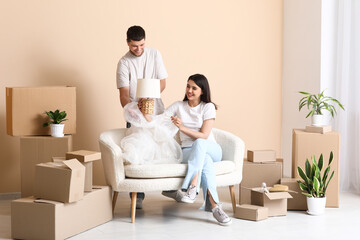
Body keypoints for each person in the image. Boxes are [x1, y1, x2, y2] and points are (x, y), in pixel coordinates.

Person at [143, 74, 232, 226]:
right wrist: (144, 112)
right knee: (205, 161)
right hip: (188, 152)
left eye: (194, 88)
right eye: (188, 86)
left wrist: (181, 127)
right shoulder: (178, 106)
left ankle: (192, 187)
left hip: (211, 148)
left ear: (202, 91)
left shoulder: (208, 107)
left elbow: (204, 135)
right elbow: (158, 121)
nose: (189, 90)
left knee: (200, 144)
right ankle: (215, 206)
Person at [116, 25, 168, 209]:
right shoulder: (124, 63)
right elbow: (123, 95)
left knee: (163, 148)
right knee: (135, 153)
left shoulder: (154, 55)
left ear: (145, 41)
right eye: (134, 46)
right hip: (134, 114)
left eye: (142, 45)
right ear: (127, 43)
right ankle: (136, 194)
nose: (138, 49)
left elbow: (162, 83)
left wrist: (149, 96)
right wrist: (134, 106)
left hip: (156, 110)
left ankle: (169, 188)